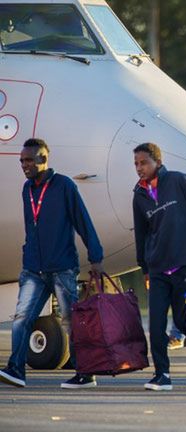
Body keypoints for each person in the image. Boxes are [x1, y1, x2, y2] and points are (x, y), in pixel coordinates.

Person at [0, 138, 104, 389]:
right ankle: (16, 369)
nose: (24, 165)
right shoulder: (27, 189)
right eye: (21, 160)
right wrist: (28, 255)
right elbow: (31, 228)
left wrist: (96, 258)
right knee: (22, 317)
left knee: (71, 320)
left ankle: (85, 372)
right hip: (34, 269)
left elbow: (83, 221)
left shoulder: (64, 186)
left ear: (43, 159)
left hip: (62, 268)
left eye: (28, 160)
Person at [132, 142, 186, 391]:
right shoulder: (139, 194)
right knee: (156, 324)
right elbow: (141, 233)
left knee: (182, 321)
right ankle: (163, 375)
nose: (139, 168)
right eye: (136, 164)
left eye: (143, 163)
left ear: (157, 162)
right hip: (158, 268)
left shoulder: (179, 181)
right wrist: (144, 267)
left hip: (184, 264)